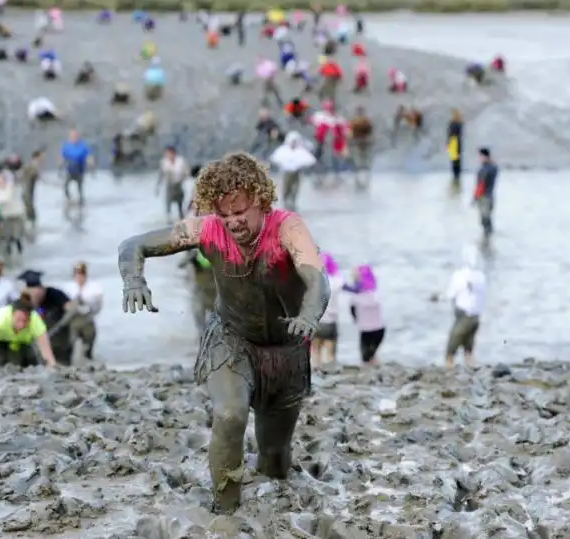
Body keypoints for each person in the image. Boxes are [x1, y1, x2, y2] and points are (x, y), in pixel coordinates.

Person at [117, 152, 330, 513]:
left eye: (240, 211)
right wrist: (133, 280)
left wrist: (309, 316)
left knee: (275, 456)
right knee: (230, 415)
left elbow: (317, 280)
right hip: (232, 339)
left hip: (288, 348)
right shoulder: (206, 229)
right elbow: (133, 245)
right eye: (224, 213)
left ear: (261, 201)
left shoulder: (287, 227)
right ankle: (225, 513)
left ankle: (273, 505)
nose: (233, 222)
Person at [0, 293, 57, 368]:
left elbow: (46, 351)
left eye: (25, 321)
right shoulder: (1, 317)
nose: (21, 325)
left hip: (20, 345)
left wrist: (52, 366)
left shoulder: (35, 321)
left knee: (19, 365)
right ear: (12, 315)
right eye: (18, 320)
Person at [18, 270, 74, 365]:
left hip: (58, 338)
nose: (34, 299)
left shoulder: (55, 294)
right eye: (31, 296)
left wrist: (62, 323)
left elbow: (71, 307)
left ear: (42, 289)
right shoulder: (24, 299)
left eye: (36, 295)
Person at [444, 245, 485, 370]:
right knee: (469, 345)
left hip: (463, 314)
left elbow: (451, 294)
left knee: (452, 344)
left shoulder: (459, 276)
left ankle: (449, 367)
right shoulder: (481, 277)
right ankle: (470, 365)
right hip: (476, 316)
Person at [344, 265, 384, 364]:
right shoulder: (376, 294)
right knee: (372, 354)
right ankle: (374, 366)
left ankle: (368, 371)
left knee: (365, 356)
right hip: (379, 329)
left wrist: (356, 320)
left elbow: (353, 312)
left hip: (365, 330)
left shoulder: (356, 298)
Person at [62, 262, 103, 360]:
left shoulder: (94, 287)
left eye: (81, 274)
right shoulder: (68, 287)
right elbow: (63, 304)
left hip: (87, 318)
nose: (79, 277)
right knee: (70, 345)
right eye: (77, 274)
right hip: (73, 319)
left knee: (89, 344)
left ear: (85, 275)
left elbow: (99, 305)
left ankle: (88, 360)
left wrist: (88, 305)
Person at [269, 131, 316, 211]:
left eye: (295, 141)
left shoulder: (300, 150)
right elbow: (274, 158)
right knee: (286, 187)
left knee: (295, 188)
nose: (293, 143)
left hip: (296, 172)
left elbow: (311, 160)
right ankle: (286, 202)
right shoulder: (283, 150)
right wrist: (282, 164)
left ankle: (292, 202)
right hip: (287, 172)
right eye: (292, 141)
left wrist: (302, 164)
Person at [311, 252, 343, 367]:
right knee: (329, 353)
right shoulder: (336, 282)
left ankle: (315, 372)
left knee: (315, 351)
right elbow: (341, 279)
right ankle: (330, 373)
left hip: (316, 321)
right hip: (330, 323)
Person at [0, 167, 26, 258]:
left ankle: (14, 253)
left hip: (14, 215)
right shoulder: (13, 187)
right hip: (10, 215)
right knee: (9, 237)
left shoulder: (12, 188)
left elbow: (2, 200)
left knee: (12, 237)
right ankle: (12, 253)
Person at [60, 129, 93, 206]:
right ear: (69, 137)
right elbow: (62, 156)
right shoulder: (66, 146)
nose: (74, 138)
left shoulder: (83, 146)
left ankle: (81, 202)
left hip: (79, 169)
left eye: (75, 136)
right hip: (70, 169)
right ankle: (69, 199)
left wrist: (90, 163)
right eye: (72, 136)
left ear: (78, 137)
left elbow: (88, 156)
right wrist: (60, 165)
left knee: (80, 188)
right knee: (65, 186)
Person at [157, 145, 189, 221]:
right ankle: (168, 219)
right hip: (169, 186)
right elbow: (161, 175)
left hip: (178, 185)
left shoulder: (180, 161)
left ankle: (181, 218)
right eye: (167, 153)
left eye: (170, 153)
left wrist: (183, 179)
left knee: (180, 204)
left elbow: (187, 173)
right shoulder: (164, 162)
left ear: (174, 153)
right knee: (168, 203)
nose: (169, 155)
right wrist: (157, 186)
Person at [473, 147, 498, 242]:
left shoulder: (485, 169)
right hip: (489, 197)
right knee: (486, 219)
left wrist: (475, 197)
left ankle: (487, 240)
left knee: (485, 220)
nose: (479, 158)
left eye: (481, 156)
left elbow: (481, 184)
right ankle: (488, 239)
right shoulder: (493, 167)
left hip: (484, 197)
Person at [349, 106, 373, 188]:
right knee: (358, 161)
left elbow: (369, 131)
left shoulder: (366, 121)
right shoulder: (354, 121)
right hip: (358, 143)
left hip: (364, 143)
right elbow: (351, 132)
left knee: (365, 161)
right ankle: (358, 178)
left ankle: (365, 178)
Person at [19, 148, 44, 228]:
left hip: (28, 191)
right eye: (41, 156)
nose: (43, 158)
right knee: (29, 210)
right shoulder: (33, 165)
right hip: (27, 191)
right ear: (37, 157)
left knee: (29, 209)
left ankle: (30, 226)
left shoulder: (34, 165)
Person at [447, 109, 464, 189]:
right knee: (453, 158)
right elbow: (449, 134)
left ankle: (457, 174)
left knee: (456, 159)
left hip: (455, 141)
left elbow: (455, 134)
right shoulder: (453, 123)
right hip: (453, 141)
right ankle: (455, 174)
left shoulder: (458, 123)